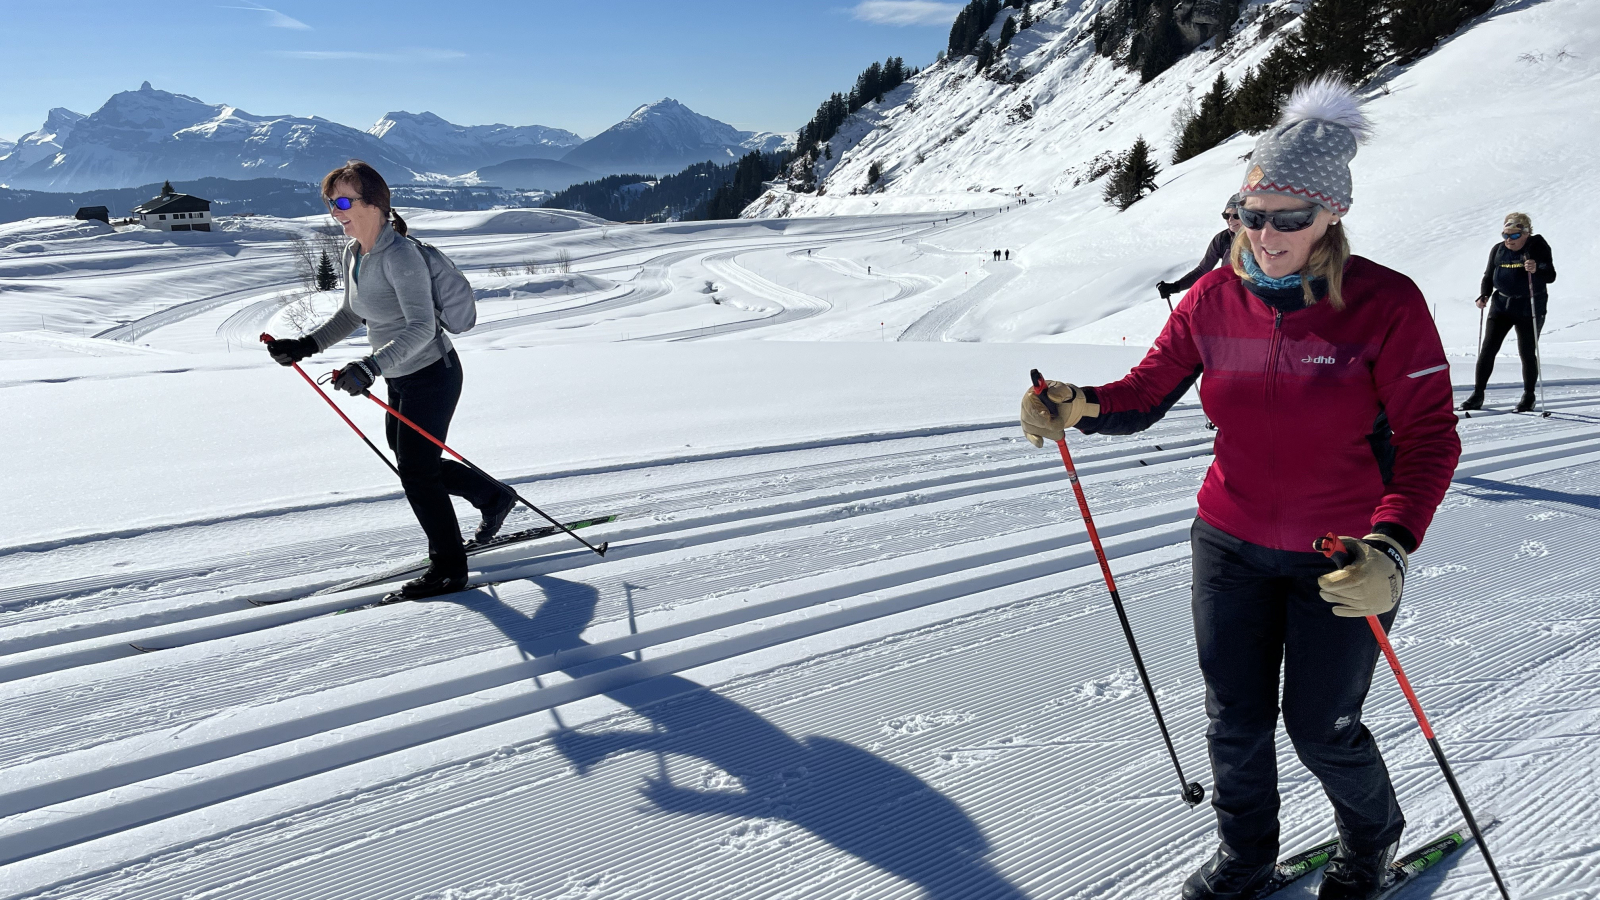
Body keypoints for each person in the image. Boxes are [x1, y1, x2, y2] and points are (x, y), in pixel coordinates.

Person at [1019, 78, 1460, 900]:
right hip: (1229, 542)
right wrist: (1079, 405)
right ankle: (1247, 856)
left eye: (1290, 216)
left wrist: (1391, 548)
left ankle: (1370, 843)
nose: (1266, 233)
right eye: (1249, 213)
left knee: (1322, 731)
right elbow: (1146, 391)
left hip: (1344, 555)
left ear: (1332, 216)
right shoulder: (1212, 298)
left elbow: (1432, 437)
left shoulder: (1385, 303)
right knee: (1236, 723)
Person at [264, 160, 516, 600]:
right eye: (330, 202)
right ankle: (493, 499)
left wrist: (369, 367)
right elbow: (353, 313)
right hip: (399, 376)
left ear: (375, 203)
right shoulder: (354, 253)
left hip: (432, 375)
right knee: (415, 466)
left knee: (418, 473)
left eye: (343, 200)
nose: (334, 210)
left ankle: (449, 568)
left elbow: (421, 327)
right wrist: (307, 345)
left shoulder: (399, 256)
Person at [1460, 213, 1556, 412]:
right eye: (1505, 235)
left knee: (1527, 352)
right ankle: (1477, 394)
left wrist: (1537, 268)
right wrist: (1484, 294)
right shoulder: (1498, 250)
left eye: (1514, 236)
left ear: (1526, 234)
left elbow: (1551, 276)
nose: (1508, 240)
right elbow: (1488, 275)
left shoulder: (1537, 247)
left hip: (1529, 306)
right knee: (1488, 350)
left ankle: (1529, 396)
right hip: (1501, 305)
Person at [1158, 194, 1243, 302]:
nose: (1230, 219)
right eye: (1226, 216)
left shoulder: (1261, 239)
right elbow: (1203, 270)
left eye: (1236, 215)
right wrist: (1176, 286)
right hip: (1231, 299)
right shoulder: (1222, 240)